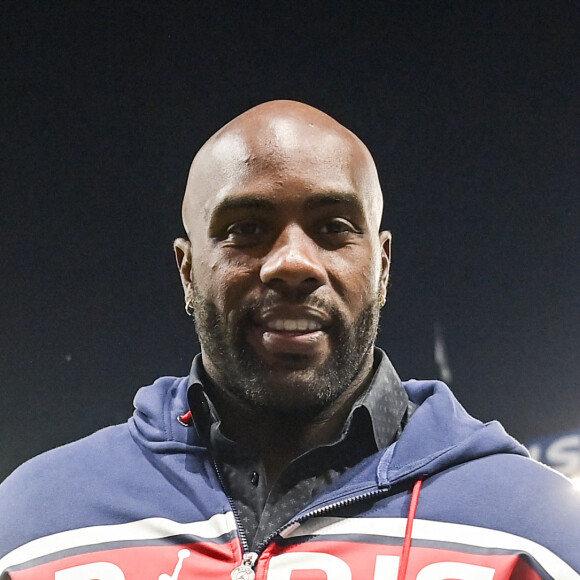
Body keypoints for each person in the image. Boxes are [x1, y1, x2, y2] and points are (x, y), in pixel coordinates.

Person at [0, 101, 578, 580]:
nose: (292, 263)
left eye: (333, 228)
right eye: (245, 229)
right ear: (187, 272)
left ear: (381, 266)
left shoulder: (533, 531)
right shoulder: (36, 524)